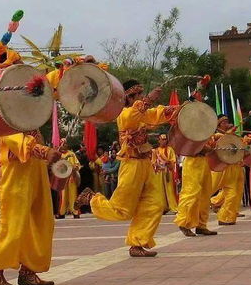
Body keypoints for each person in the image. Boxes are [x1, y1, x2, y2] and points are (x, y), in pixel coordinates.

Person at [75, 80, 178, 257]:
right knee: (122, 209)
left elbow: (158, 114)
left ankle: (137, 243)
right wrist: (148, 100)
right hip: (131, 165)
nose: (140, 98)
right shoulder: (124, 113)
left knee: (155, 204)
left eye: (141, 95)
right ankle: (91, 198)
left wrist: (183, 107)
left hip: (146, 163)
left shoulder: (141, 113)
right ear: (128, 98)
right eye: (137, 95)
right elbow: (132, 117)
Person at [0, 131, 61, 285]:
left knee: (42, 222)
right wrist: (44, 151)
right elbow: (14, 139)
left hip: (37, 171)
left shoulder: (32, 116)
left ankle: (28, 271)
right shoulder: (8, 116)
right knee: (14, 224)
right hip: (15, 174)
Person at [209, 115, 245, 226]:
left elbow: (239, 147)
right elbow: (219, 141)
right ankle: (210, 202)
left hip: (232, 167)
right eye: (224, 122)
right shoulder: (215, 135)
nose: (226, 124)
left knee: (233, 194)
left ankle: (225, 217)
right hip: (219, 168)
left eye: (227, 122)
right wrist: (229, 133)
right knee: (208, 189)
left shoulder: (233, 136)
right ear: (219, 124)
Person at [152, 134, 178, 214]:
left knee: (169, 189)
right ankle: (162, 207)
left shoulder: (170, 150)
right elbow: (153, 161)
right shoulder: (155, 151)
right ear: (159, 140)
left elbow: (173, 160)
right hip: (159, 172)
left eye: (165, 139)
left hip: (167, 171)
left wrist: (168, 162)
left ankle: (173, 207)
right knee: (160, 190)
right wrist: (156, 164)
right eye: (162, 139)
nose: (164, 141)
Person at [57, 139, 81, 219]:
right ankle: (62, 212)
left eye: (66, 143)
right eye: (63, 143)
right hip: (63, 178)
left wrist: (74, 168)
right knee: (63, 196)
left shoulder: (72, 154)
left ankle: (75, 212)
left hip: (71, 177)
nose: (65, 145)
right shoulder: (58, 155)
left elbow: (77, 164)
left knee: (73, 195)